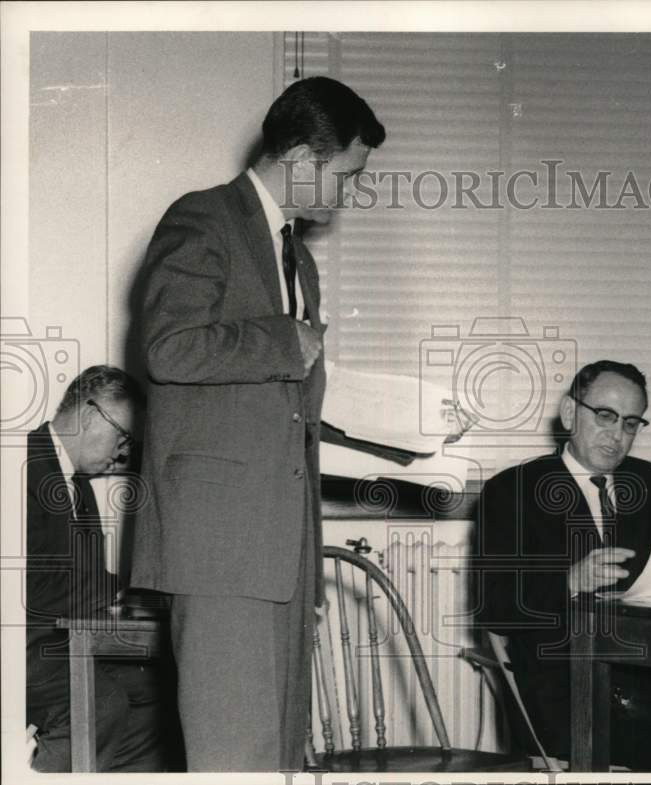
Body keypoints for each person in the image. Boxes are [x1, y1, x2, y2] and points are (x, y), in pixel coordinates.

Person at [131, 77, 385, 771]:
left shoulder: (297, 257)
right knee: (233, 755)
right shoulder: (203, 218)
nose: (349, 193)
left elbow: (281, 407)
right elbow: (168, 347)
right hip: (220, 541)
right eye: (347, 175)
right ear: (303, 156)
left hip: (280, 545)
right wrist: (283, 341)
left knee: (277, 754)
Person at [476, 360, 651, 768]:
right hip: (564, 690)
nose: (617, 435)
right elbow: (494, 606)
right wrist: (569, 580)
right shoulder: (512, 491)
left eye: (631, 424)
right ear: (570, 413)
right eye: (605, 416)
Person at [26, 365, 173, 771]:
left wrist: (134, 592)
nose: (123, 452)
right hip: (20, 647)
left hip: (61, 642)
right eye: (123, 436)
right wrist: (113, 592)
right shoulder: (19, 466)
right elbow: (25, 587)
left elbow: (82, 578)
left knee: (156, 695)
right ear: (91, 416)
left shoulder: (79, 486)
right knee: (104, 702)